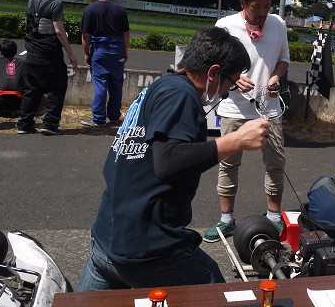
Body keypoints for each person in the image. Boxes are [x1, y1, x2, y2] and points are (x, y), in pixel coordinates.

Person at [76, 27, 271, 291]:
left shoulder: (161, 87)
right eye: (230, 83)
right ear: (213, 72)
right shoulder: (181, 95)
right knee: (215, 292)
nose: (227, 91)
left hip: (107, 237)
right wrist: (236, 140)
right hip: (147, 248)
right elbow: (168, 161)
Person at [204, 0, 290, 242]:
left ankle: (273, 217)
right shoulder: (225, 26)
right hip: (233, 108)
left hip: (268, 108)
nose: (263, 13)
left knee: (276, 163)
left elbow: (284, 60)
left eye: (267, 6)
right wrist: (233, 77)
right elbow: (213, 64)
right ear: (243, 3)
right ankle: (226, 220)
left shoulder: (278, 24)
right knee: (228, 164)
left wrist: (275, 77)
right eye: (256, 7)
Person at [17, 0, 78, 136]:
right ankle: (50, 123)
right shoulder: (56, 4)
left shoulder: (32, 0)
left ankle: (25, 123)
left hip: (31, 51)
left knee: (31, 89)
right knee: (58, 86)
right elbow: (58, 31)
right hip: (49, 53)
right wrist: (70, 53)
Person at [80, 0, 130, 127]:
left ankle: (98, 118)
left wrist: (86, 52)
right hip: (116, 50)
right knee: (116, 85)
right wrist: (125, 51)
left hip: (99, 49)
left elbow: (85, 35)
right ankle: (114, 116)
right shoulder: (120, 10)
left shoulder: (90, 9)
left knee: (100, 84)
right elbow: (126, 33)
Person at [0, 39, 25, 117]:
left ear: (0, 52)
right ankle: (17, 111)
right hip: (17, 101)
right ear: (16, 51)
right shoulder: (22, 62)